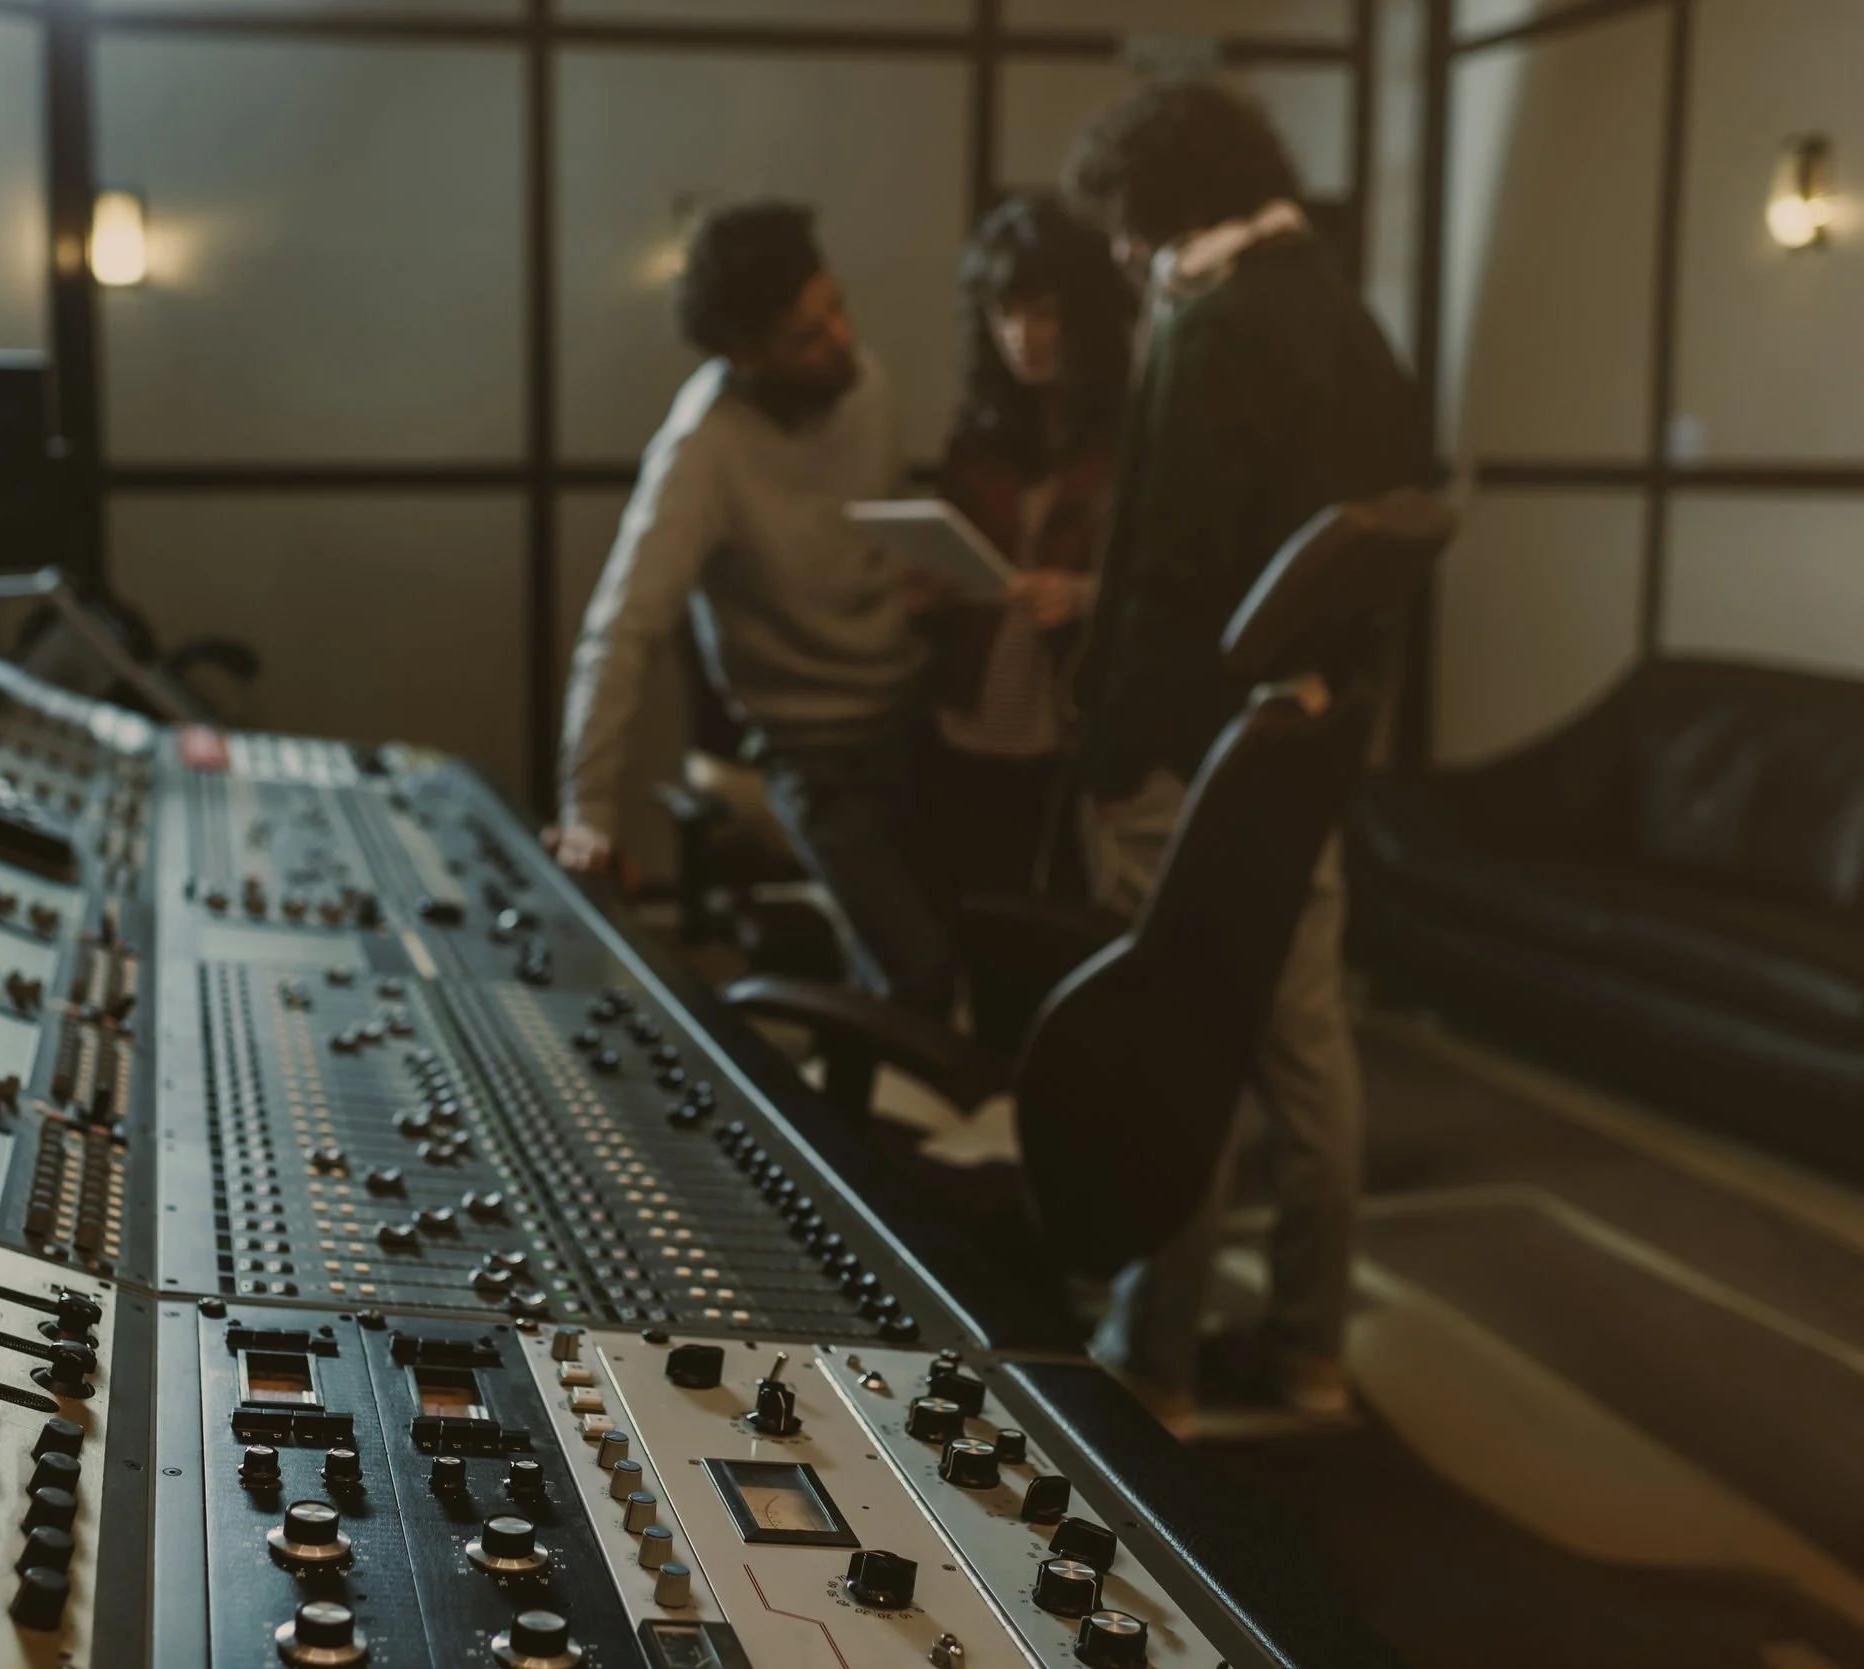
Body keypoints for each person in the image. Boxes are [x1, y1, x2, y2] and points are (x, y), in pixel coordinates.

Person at [1064, 82, 1428, 1432]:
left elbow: (1171, 573)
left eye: (1121, 214)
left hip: (1191, 749)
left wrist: (1111, 753)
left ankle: (1152, 1353)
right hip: (1308, 739)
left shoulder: (1207, 327)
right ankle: (1309, 1347)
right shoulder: (1353, 324)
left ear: (1163, 200)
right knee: (1308, 1048)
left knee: (1179, 1040)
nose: (1118, 245)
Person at [551, 200, 950, 1012]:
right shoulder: (702, 448)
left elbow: (868, 541)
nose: (842, 337)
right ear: (747, 355)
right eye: (808, 335)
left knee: (973, 950)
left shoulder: (863, 380)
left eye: (837, 307)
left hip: (915, 717)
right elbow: (620, 633)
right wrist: (587, 810)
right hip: (814, 757)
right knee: (924, 972)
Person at [915, 194, 1134, 953]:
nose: (1021, 336)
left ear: (1084, 317)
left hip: (1069, 721)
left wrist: (1084, 597)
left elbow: (1162, 588)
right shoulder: (978, 436)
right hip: (969, 713)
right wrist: (927, 591)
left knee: (1060, 925)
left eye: (1042, 313)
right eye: (1005, 313)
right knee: (975, 917)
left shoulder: (1129, 433)